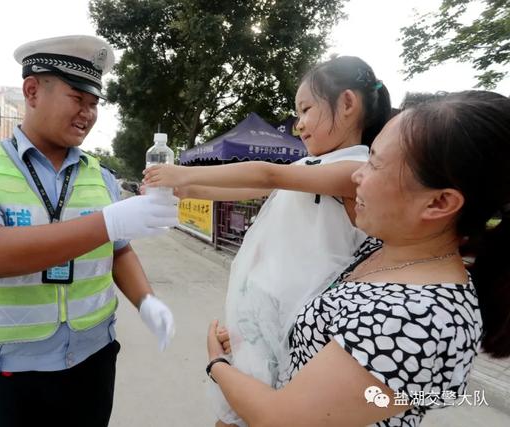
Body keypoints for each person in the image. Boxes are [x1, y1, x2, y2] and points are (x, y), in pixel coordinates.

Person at [205, 90, 510, 426]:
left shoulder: (419, 317)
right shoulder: (384, 251)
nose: (356, 175)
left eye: (375, 163)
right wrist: (252, 338)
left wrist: (217, 364)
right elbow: (327, 338)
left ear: (439, 203)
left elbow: (280, 418)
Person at [0, 35, 178, 427]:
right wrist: (107, 222)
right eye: (78, 98)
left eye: (94, 104)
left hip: (94, 359)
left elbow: (119, 251)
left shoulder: (102, 176)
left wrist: (146, 299)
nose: (88, 113)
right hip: (12, 370)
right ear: (31, 92)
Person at [144, 56, 391, 426]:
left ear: (348, 104)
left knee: (255, 410)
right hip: (265, 314)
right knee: (235, 405)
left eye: (306, 109)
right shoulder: (310, 166)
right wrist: (185, 187)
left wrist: (182, 169)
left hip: (296, 324)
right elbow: (253, 184)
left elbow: (263, 175)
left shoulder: (355, 169)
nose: (298, 124)